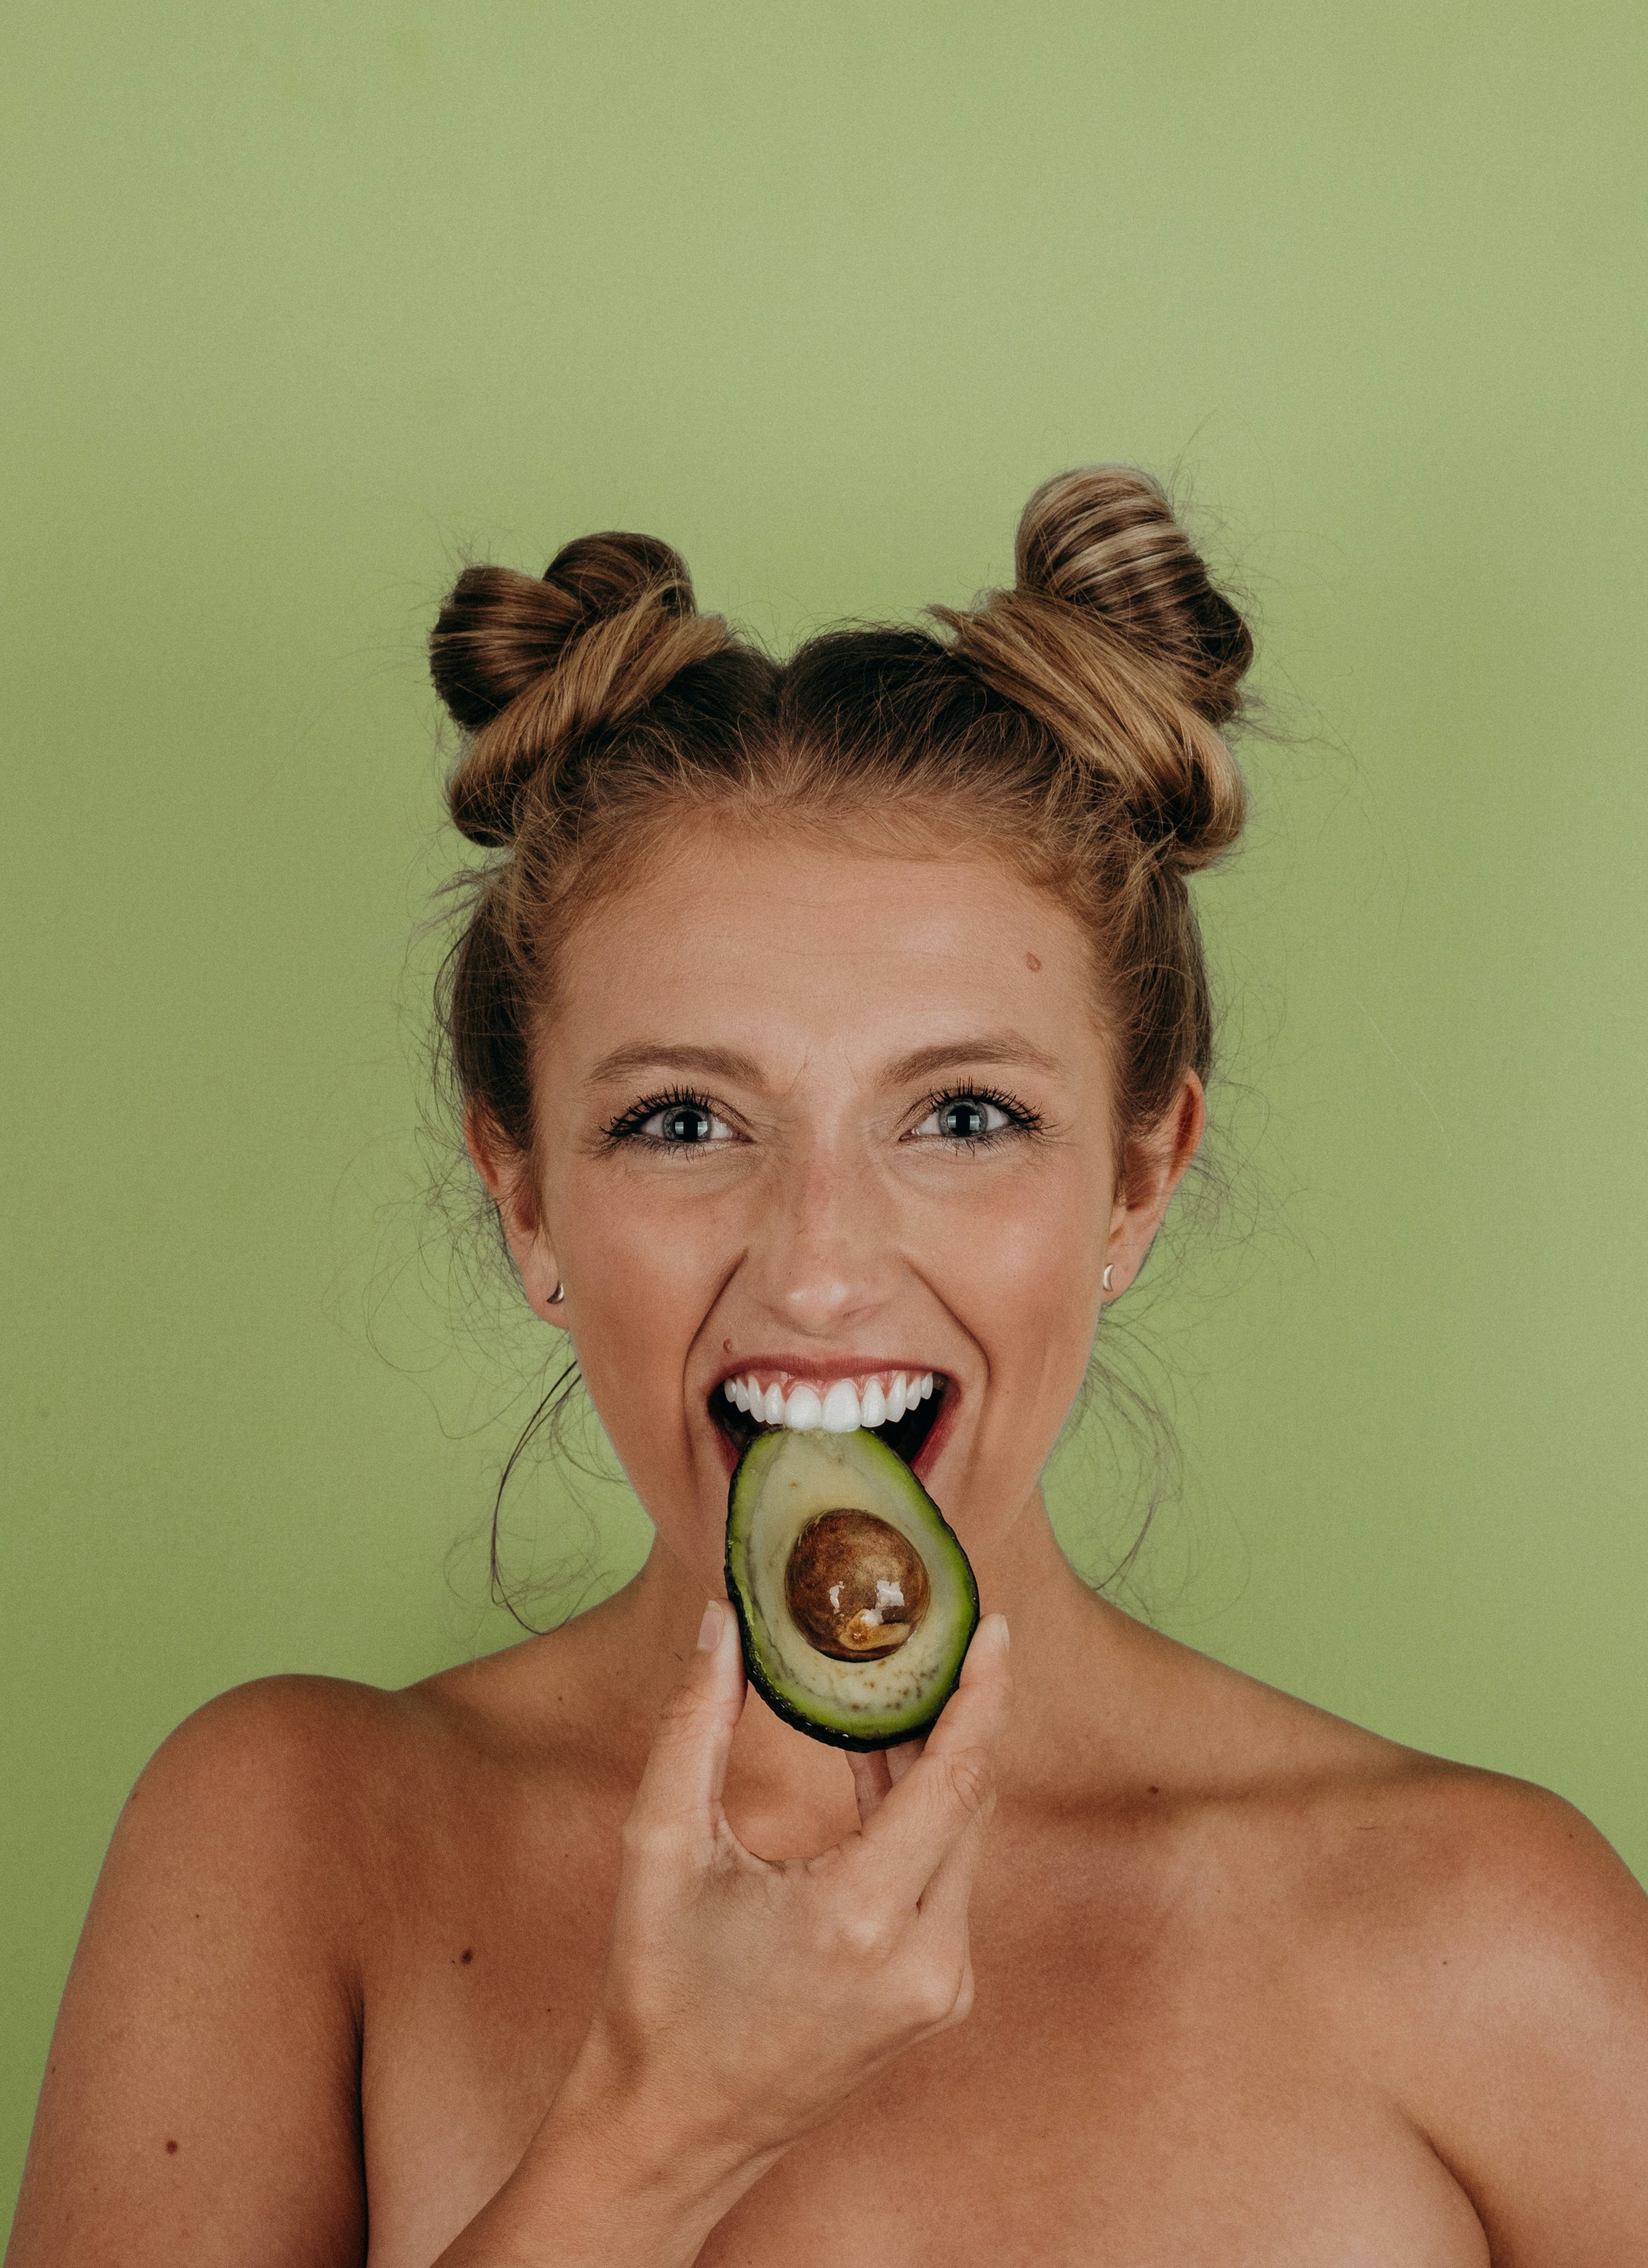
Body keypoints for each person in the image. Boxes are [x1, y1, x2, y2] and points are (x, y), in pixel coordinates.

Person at [10, 469, 1648, 2268]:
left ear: (1137, 1178)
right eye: (682, 1119)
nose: (819, 1267)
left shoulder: (1498, 1940)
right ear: (525, 1197)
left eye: (962, 1115)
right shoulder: (291, 1841)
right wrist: (659, 2131)